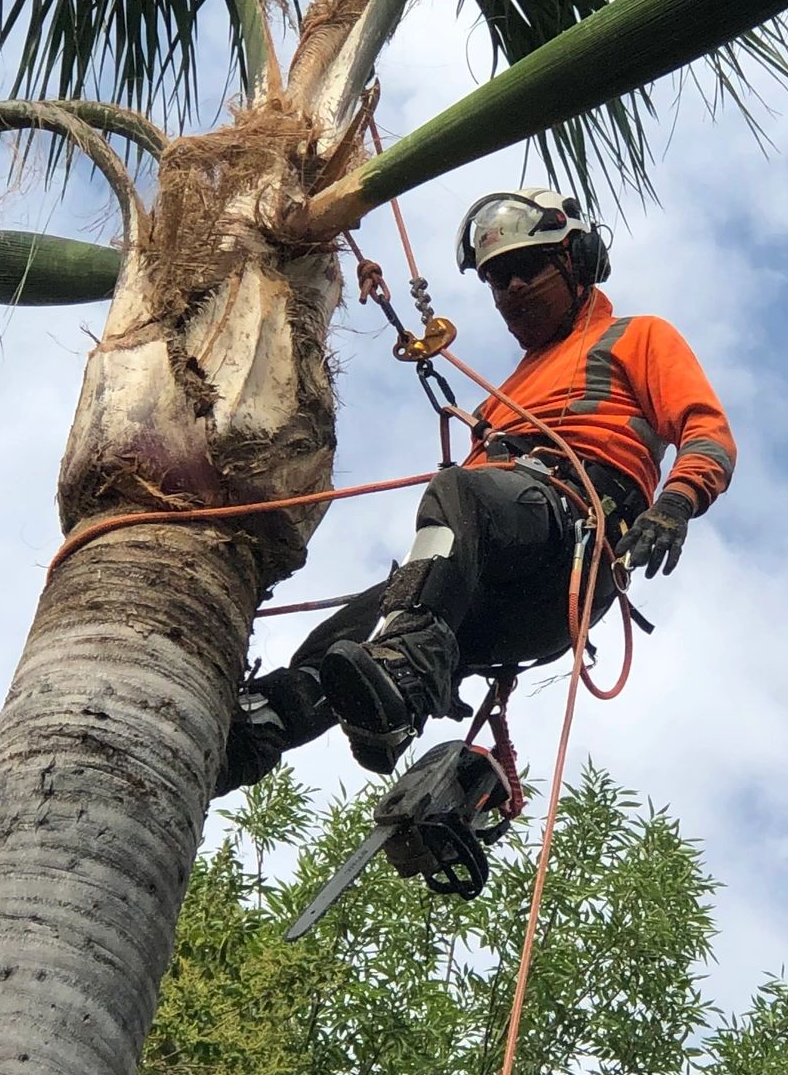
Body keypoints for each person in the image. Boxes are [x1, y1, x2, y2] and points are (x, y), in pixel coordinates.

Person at [218, 186, 737, 787]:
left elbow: (707, 429)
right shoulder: (506, 394)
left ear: (577, 262)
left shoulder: (636, 336)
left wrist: (676, 502)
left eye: (525, 269)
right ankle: (256, 730)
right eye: (497, 279)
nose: (512, 289)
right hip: (499, 593)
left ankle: (408, 671)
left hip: (568, 542)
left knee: (457, 493)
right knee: (345, 634)